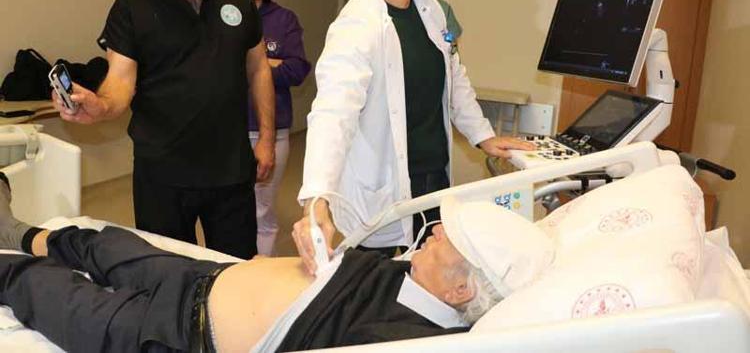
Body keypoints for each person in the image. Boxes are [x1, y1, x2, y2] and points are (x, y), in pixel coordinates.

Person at [0, 174, 553, 352]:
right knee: (107, 244)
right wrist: (318, 227)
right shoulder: (409, 271)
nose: (433, 233)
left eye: (449, 241)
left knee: (40, 291)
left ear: (461, 291)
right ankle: (18, 230)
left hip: (176, 333)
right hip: (202, 276)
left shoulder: (405, 340)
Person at [294, 0, 534, 269]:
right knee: (380, 284)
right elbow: (332, 115)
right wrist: (316, 199)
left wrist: (484, 136)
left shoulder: (431, 11)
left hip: (433, 183)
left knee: (430, 277)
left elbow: (455, 79)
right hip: (383, 193)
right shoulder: (358, 24)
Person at [50, 0, 275, 259]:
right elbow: (120, 83)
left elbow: (259, 66)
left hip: (231, 169)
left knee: (238, 270)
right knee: (167, 274)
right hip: (163, 176)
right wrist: (100, 107)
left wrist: (266, 138)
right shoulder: (134, 5)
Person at [220, 0, 311, 255]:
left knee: (262, 211)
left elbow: (297, 70)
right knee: (227, 210)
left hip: (270, 132)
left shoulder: (283, 19)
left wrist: (258, 66)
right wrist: (269, 63)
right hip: (227, 131)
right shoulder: (220, 16)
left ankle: (260, 271)